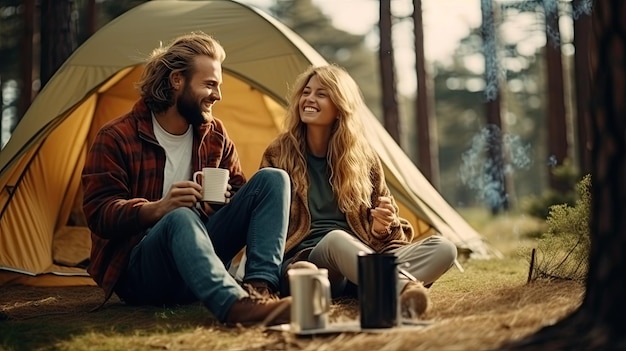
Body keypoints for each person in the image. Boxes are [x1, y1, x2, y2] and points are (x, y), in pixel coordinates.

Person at [82, 31, 292, 326]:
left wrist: (218, 205)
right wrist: (157, 208)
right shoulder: (116, 136)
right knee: (180, 216)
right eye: (209, 84)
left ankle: (259, 292)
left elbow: (239, 191)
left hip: (201, 255)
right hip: (143, 272)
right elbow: (98, 212)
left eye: (218, 86)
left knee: (274, 179)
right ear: (177, 80)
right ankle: (235, 307)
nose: (217, 95)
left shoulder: (215, 134)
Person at [260, 64, 458, 318]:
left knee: (444, 248)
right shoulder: (279, 152)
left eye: (321, 94)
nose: (309, 99)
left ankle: (372, 286)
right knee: (335, 240)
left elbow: (390, 233)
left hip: (361, 261)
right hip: (313, 264)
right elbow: (265, 221)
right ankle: (398, 289)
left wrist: (380, 229)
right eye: (306, 92)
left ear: (340, 106)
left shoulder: (362, 158)